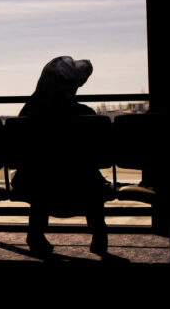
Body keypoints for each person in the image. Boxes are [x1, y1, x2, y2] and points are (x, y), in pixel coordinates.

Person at [12, 56, 113, 255]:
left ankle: (36, 234)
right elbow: (103, 158)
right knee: (91, 180)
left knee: (39, 175)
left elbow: (19, 156)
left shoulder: (28, 114)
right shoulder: (87, 116)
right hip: (81, 184)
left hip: (38, 185)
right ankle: (99, 232)